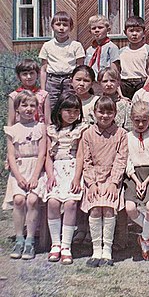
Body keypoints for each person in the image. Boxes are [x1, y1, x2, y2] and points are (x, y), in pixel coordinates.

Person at [80, 97, 128, 267]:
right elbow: (86, 161)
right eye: (101, 111)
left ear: (115, 114)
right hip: (93, 179)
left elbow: (121, 160)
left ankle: (107, 250)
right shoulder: (87, 134)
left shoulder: (121, 134)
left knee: (108, 209)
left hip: (112, 179)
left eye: (109, 112)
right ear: (94, 113)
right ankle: (96, 250)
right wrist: (91, 183)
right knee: (94, 210)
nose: (105, 116)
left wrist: (114, 183)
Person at [43, 94, 87, 265]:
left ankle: (66, 246)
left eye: (76, 111)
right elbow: (48, 156)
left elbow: (81, 155)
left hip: (73, 169)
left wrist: (77, 178)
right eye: (68, 110)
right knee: (53, 202)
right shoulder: (52, 130)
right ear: (59, 111)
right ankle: (56, 243)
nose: (72, 114)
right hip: (56, 170)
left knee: (70, 203)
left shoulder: (80, 129)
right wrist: (50, 175)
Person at [4, 91, 47, 260]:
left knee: (32, 200)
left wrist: (35, 176)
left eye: (32, 106)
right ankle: (19, 238)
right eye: (24, 105)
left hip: (36, 168)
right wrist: (19, 176)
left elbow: (42, 153)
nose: (29, 109)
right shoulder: (12, 129)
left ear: (37, 108)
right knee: (19, 200)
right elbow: (11, 156)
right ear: (17, 108)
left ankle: (30, 240)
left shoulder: (40, 127)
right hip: (19, 170)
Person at [124, 101, 149, 260]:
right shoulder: (126, 137)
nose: (140, 124)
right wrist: (136, 181)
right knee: (130, 208)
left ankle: (144, 239)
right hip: (133, 175)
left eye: (144, 120)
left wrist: (145, 182)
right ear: (131, 118)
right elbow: (126, 160)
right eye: (136, 120)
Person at [38, 11, 85, 110]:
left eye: (65, 25)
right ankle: (51, 125)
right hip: (52, 81)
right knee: (51, 106)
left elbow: (80, 68)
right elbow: (43, 69)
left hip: (69, 80)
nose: (61, 28)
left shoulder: (76, 45)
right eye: (58, 24)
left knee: (68, 105)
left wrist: (76, 83)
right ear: (52, 26)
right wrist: (42, 90)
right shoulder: (47, 45)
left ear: (71, 27)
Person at [119, 16, 149, 100]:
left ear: (144, 33)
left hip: (142, 82)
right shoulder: (121, 52)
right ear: (125, 32)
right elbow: (117, 73)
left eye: (138, 31)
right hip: (125, 83)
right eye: (131, 31)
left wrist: (145, 87)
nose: (134, 34)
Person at [8, 59, 50, 126]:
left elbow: (48, 121)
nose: (29, 77)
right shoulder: (14, 96)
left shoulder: (44, 95)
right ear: (19, 77)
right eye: (25, 74)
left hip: (39, 131)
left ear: (37, 74)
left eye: (31, 73)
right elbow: (11, 121)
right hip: (21, 132)